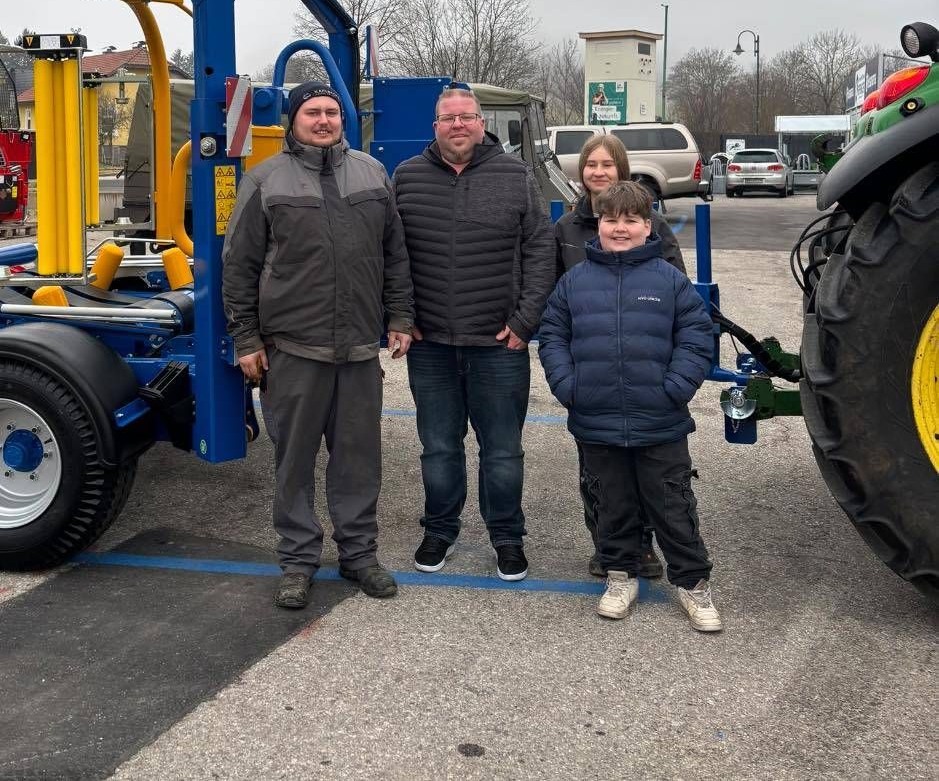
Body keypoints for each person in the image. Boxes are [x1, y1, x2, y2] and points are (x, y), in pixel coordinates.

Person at [222, 81, 415, 610]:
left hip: (358, 349)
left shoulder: (372, 174)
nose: (324, 120)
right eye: (313, 112)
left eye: (332, 111)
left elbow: (394, 254)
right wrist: (246, 338)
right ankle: (298, 561)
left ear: (343, 119)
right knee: (294, 462)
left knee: (358, 461)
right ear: (294, 120)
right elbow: (238, 266)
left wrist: (400, 316)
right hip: (293, 350)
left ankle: (359, 555)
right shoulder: (265, 179)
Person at [538, 180, 722, 631]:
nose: (620, 228)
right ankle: (621, 576)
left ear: (647, 226)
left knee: (673, 505)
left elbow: (697, 337)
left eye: (631, 220)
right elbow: (553, 335)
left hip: (660, 420)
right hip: (596, 419)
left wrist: (675, 388)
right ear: (598, 224)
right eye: (610, 219)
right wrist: (568, 386)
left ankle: (693, 584)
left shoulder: (670, 280)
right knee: (612, 504)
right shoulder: (575, 282)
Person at [394, 86, 554, 582]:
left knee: (502, 450)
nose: (458, 125)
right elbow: (392, 255)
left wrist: (525, 321)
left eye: (467, 117)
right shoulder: (406, 177)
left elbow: (540, 249)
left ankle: (507, 537)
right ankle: (440, 529)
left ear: (483, 124)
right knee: (439, 447)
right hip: (431, 346)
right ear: (435, 126)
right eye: (449, 118)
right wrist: (401, 315)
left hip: (497, 345)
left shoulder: (515, 175)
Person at [554, 133, 686, 580]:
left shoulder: (653, 225)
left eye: (607, 164)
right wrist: (566, 378)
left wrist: (674, 379)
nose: (598, 172)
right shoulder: (567, 228)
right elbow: (553, 299)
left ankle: (644, 547)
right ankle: (607, 546)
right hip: (591, 370)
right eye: (591, 164)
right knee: (599, 470)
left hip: (644, 368)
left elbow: (678, 294)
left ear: (621, 169)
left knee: (649, 469)